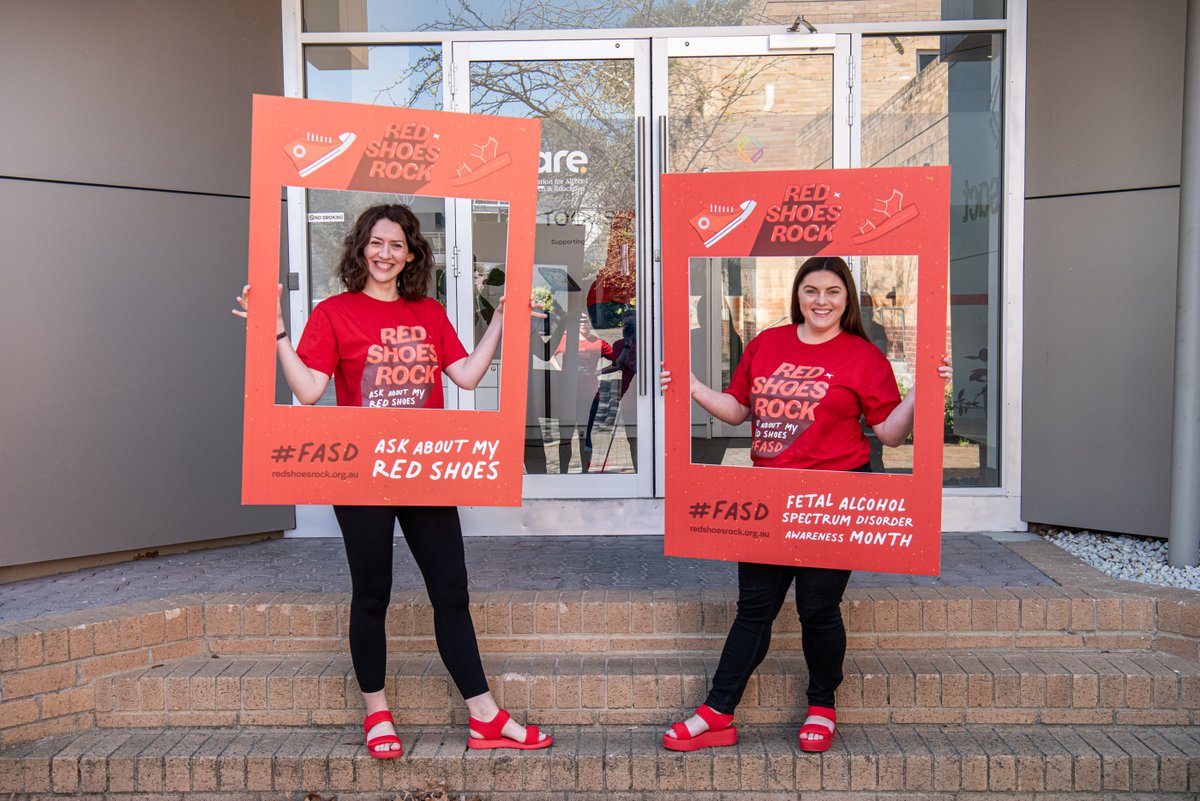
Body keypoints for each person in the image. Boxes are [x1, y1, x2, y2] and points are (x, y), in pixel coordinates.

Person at [235, 204, 550, 758]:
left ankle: (484, 716)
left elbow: (468, 377)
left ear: (412, 254)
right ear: (361, 248)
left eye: (397, 245)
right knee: (372, 594)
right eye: (376, 243)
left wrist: (502, 318)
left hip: (424, 471)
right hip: (362, 474)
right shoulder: (334, 312)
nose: (385, 254)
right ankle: (376, 712)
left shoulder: (427, 312)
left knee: (451, 592)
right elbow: (309, 390)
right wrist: (277, 334)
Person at [659, 256, 950, 754]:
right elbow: (737, 412)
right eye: (811, 290)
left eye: (833, 291)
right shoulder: (767, 344)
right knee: (753, 610)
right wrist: (689, 387)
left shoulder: (863, 357)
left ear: (847, 299)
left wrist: (926, 389)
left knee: (818, 609)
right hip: (770, 498)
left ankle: (822, 705)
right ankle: (717, 713)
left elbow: (890, 435)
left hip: (833, 500)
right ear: (797, 295)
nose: (821, 300)